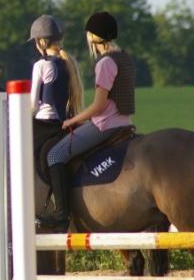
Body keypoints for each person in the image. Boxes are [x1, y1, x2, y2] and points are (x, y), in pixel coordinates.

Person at [38, 12, 135, 230]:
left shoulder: (105, 63)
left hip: (105, 126)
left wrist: (71, 122)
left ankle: (61, 215)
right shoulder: (125, 57)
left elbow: (98, 107)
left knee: (55, 155)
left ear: (92, 36)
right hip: (125, 122)